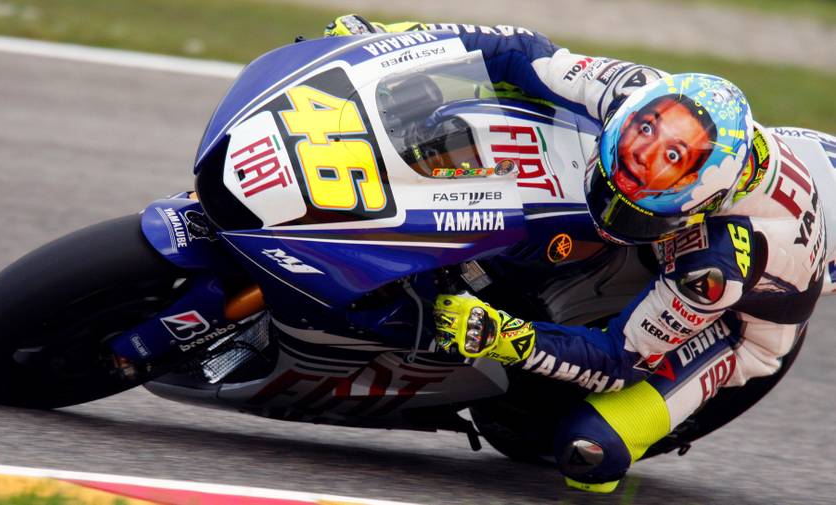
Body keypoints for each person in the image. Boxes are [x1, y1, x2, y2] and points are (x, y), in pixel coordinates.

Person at [326, 16, 829, 493]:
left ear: (707, 204)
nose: (618, 200)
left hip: (736, 330)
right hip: (709, 225)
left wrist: (507, 337)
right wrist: (396, 43)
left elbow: (619, 359)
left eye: (642, 203)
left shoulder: (715, 266)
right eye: (630, 158)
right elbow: (521, 52)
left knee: (591, 450)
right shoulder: (640, 92)